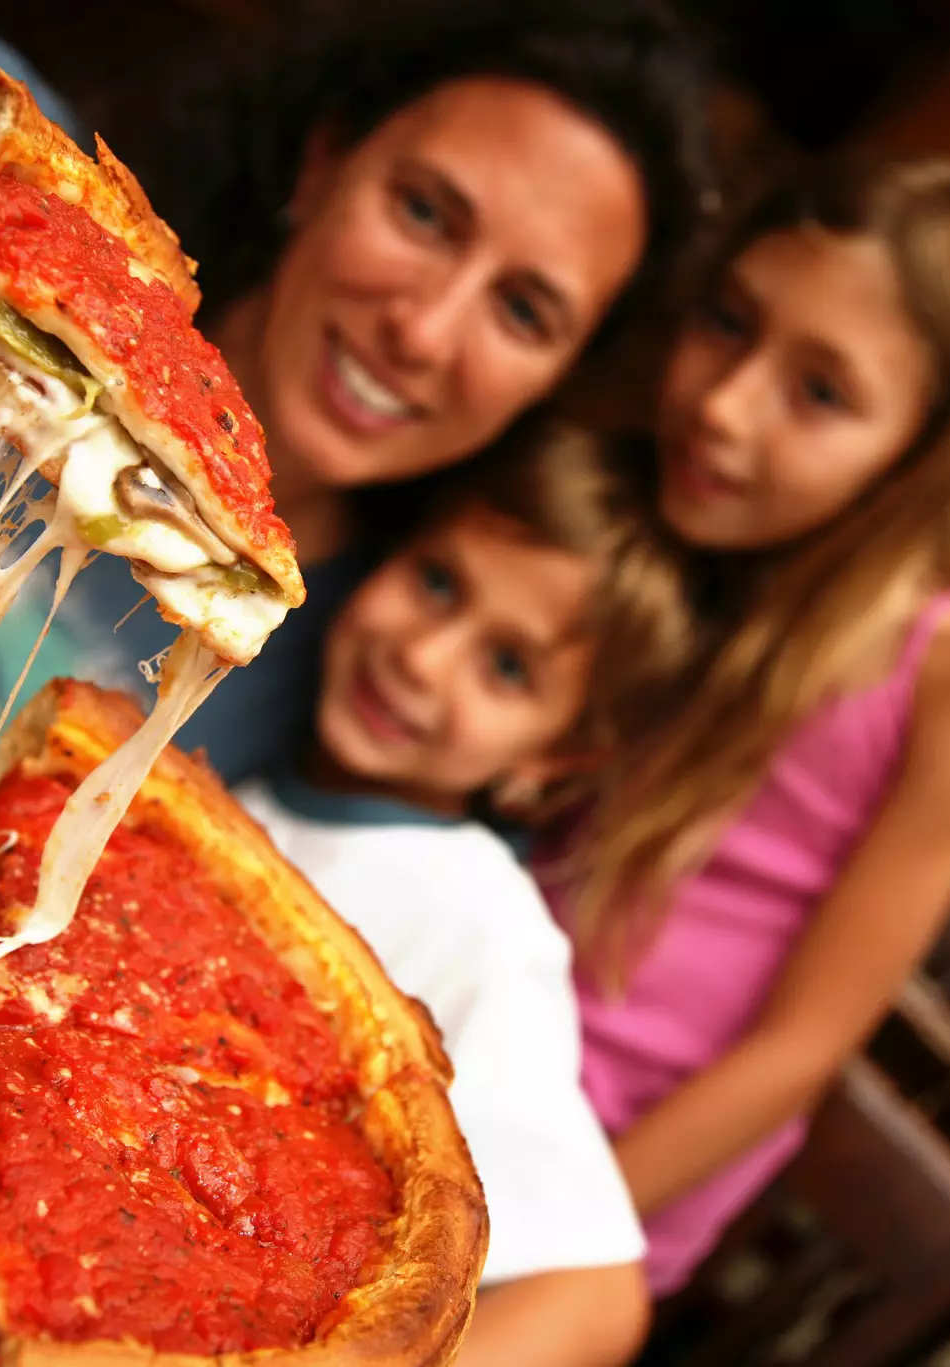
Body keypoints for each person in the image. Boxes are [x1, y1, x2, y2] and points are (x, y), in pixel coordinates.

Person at [0, 0, 716, 777]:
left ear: (560, 374)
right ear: (324, 162)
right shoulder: (18, 213)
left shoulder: (391, 646)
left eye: (524, 311)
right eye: (422, 211)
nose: (423, 327)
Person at [543, 156, 950, 1299]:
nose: (724, 405)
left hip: (596, 1176)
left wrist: (540, 1230)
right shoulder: (655, 519)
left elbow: (801, 1047)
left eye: (820, 393)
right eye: (729, 322)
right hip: (458, 1025)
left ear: (922, 451)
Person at [236, 418, 695, 1366]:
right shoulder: (258, 771)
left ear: (553, 756)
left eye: (507, 667)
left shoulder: (478, 922)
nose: (423, 657)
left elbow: (593, 1298)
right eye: (437, 581)